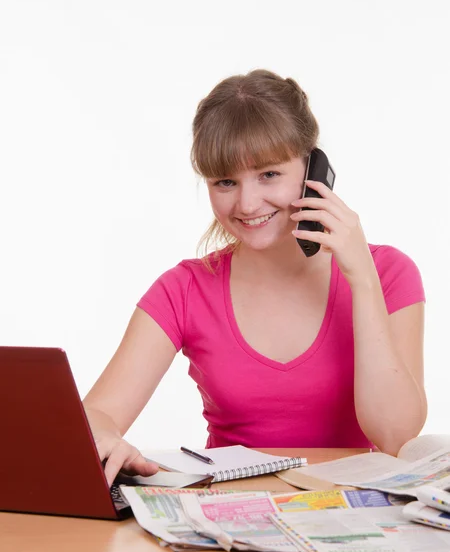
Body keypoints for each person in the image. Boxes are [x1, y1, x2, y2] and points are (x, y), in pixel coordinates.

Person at [83, 69, 427, 486]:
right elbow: (98, 413)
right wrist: (101, 434)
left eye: (268, 174)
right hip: (228, 519)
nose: (247, 204)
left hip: (349, 513)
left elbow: (395, 436)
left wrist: (362, 279)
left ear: (313, 169)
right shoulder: (184, 289)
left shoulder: (388, 274)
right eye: (225, 182)